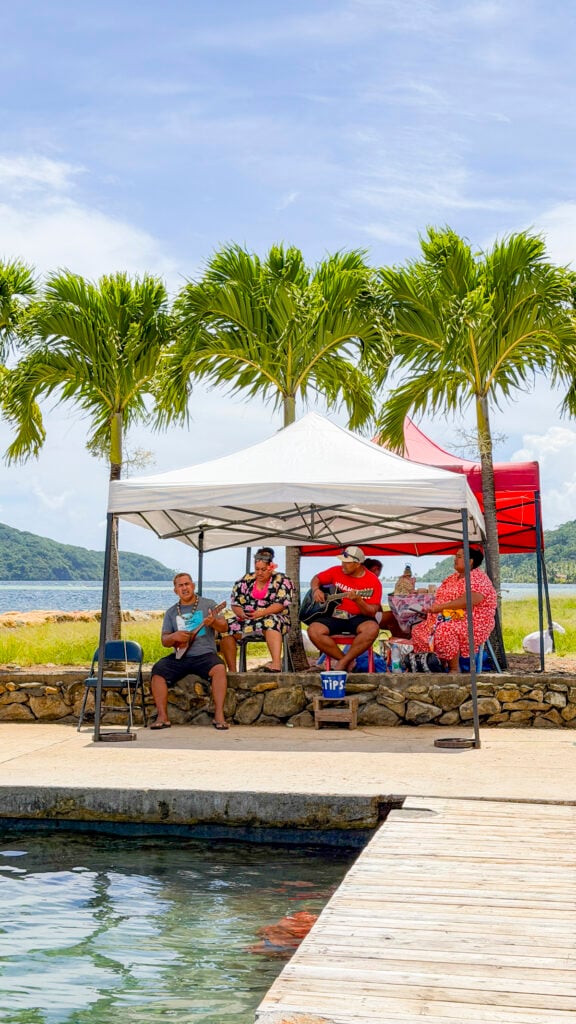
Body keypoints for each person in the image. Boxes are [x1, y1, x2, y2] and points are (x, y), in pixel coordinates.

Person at [150, 572, 229, 729]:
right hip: (180, 656)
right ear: (175, 590)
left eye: (187, 584)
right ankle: (162, 717)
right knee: (158, 670)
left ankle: (219, 716)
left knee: (219, 668)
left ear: (192, 586)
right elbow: (164, 641)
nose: (184, 588)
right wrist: (175, 636)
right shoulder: (171, 612)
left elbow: (224, 627)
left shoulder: (208, 605)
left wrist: (213, 622)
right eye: (180, 585)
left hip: (204, 655)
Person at [411, 546, 497, 673]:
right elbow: (440, 596)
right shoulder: (452, 578)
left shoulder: (478, 578)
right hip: (446, 617)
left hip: (472, 620)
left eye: (459, 557)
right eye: (455, 556)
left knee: (446, 630)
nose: (455, 559)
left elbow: (470, 600)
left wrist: (441, 607)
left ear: (470, 561)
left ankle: (453, 669)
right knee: (418, 630)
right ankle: (436, 664)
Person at [307, 546, 382, 671]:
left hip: (358, 617)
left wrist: (359, 601)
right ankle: (346, 661)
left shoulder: (373, 582)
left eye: (346, 563)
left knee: (372, 629)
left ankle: (343, 663)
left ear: (357, 564)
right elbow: (316, 579)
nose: (343, 565)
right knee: (313, 630)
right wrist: (316, 590)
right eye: (342, 562)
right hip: (335, 615)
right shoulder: (336, 571)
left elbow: (371, 612)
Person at [219, 548, 294, 672]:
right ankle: (233, 671)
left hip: (275, 618)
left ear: (271, 566)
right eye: (257, 569)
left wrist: (262, 612)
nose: (259, 573)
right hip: (248, 620)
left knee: (270, 621)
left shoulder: (282, 580)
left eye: (263, 570)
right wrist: (241, 614)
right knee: (226, 629)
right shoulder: (245, 580)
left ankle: (276, 664)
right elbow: (235, 603)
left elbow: (281, 604)